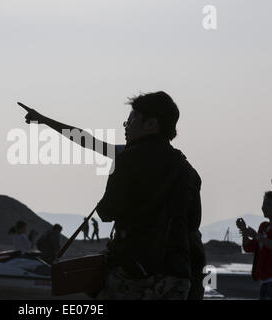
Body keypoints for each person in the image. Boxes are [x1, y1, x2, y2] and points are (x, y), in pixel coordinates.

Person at [19, 92, 205, 300]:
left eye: (132, 120)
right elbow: (193, 222)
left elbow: (107, 211)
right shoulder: (188, 171)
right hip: (176, 277)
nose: (126, 126)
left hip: (132, 273)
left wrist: (43, 121)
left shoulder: (127, 159)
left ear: (151, 124)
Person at [237, 191, 272, 300]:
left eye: (268, 204)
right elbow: (249, 247)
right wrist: (244, 231)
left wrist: (256, 236)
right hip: (264, 281)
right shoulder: (263, 226)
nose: (263, 207)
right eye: (263, 204)